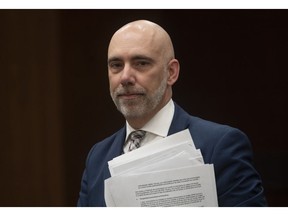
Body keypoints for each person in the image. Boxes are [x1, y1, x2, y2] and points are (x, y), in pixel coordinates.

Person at [77, 20, 267, 207]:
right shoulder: (97, 157)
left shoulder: (220, 145)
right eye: (116, 65)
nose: (125, 77)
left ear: (171, 72)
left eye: (141, 63)